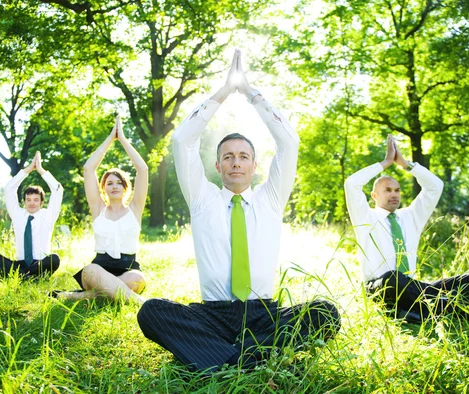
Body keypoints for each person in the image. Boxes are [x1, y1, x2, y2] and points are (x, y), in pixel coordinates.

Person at [137, 49, 340, 372]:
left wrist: (250, 93)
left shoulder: (270, 198)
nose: (235, 162)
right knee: (151, 312)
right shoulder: (202, 198)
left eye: (243, 156)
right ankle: (252, 359)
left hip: (265, 314)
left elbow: (289, 143)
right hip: (214, 315)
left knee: (325, 312)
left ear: (254, 165)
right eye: (228, 156)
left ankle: (223, 358)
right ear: (217, 166)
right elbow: (181, 140)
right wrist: (222, 92)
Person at [344, 135, 469, 323]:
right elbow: (351, 184)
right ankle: (444, 309)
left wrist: (406, 164)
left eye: (397, 190)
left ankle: (421, 312)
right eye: (388, 190)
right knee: (393, 278)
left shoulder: (411, 216)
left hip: (413, 288)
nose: (394, 194)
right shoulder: (365, 217)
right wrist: (386, 163)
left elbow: (436, 186)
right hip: (381, 287)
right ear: (374, 195)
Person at [54, 116, 148, 303]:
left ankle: (80, 297)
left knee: (138, 279)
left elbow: (143, 169)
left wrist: (122, 139)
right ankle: (140, 303)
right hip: (99, 269)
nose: (114, 186)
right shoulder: (97, 208)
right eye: (110, 183)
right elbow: (89, 168)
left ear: (126, 187)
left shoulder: (135, 208)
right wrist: (110, 138)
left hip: (128, 269)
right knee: (90, 270)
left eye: (119, 183)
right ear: (103, 187)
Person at [0, 151, 63, 279]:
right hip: (20, 263)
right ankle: (27, 276)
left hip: (40, 263)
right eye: (29, 200)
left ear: (42, 202)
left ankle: (15, 275)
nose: (32, 203)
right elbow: (9, 188)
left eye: (36, 200)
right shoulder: (18, 214)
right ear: (24, 201)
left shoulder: (48, 215)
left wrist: (41, 170)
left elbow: (58, 190)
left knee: (54, 259)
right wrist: (28, 169)